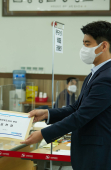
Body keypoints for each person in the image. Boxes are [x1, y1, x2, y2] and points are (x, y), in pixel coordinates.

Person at [21, 21, 111, 170]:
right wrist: (47, 113)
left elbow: (81, 115)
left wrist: (44, 134)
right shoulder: (94, 74)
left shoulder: (106, 78)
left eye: (88, 44)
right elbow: (76, 107)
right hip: (87, 152)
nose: (83, 49)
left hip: (98, 155)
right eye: (83, 44)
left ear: (103, 46)